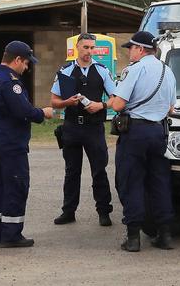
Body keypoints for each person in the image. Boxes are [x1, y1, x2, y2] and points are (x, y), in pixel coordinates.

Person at [107, 31, 177, 252]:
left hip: (135, 133)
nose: (129, 53)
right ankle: (164, 235)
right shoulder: (168, 71)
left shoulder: (135, 70)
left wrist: (109, 102)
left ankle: (133, 238)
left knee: (131, 182)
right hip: (158, 132)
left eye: (131, 48)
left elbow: (118, 105)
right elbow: (171, 108)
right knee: (159, 183)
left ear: (140, 49)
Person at [0, 41, 53, 248]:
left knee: (0, 188)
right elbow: (24, 111)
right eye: (26, 63)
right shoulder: (10, 83)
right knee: (16, 187)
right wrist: (43, 113)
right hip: (11, 146)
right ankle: (11, 235)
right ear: (17, 60)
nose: (27, 67)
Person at [50, 33, 116, 226]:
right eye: (85, 47)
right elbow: (54, 101)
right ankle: (68, 211)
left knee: (99, 170)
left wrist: (101, 106)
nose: (89, 51)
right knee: (72, 171)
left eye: (92, 48)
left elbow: (115, 98)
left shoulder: (102, 71)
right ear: (77, 48)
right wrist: (66, 102)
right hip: (71, 127)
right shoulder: (66, 71)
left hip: (93, 127)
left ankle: (104, 211)